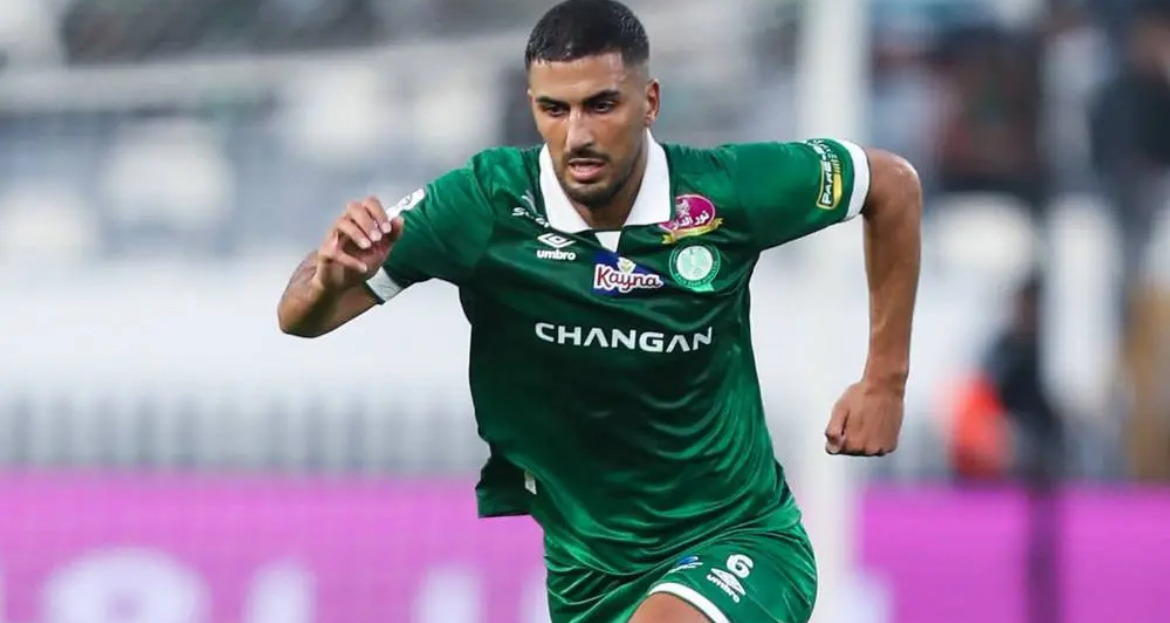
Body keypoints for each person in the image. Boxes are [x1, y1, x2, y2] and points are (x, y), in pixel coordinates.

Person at [276, 1, 922, 621]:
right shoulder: (485, 205)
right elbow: (299, 316)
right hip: (588, 575)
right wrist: (329, 278)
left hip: (740, 539)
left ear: (650, 101)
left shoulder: (724, 193)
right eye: (554, 109)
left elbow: (891, 185)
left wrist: (884, 382)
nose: (578, 135)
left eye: (601, 104)